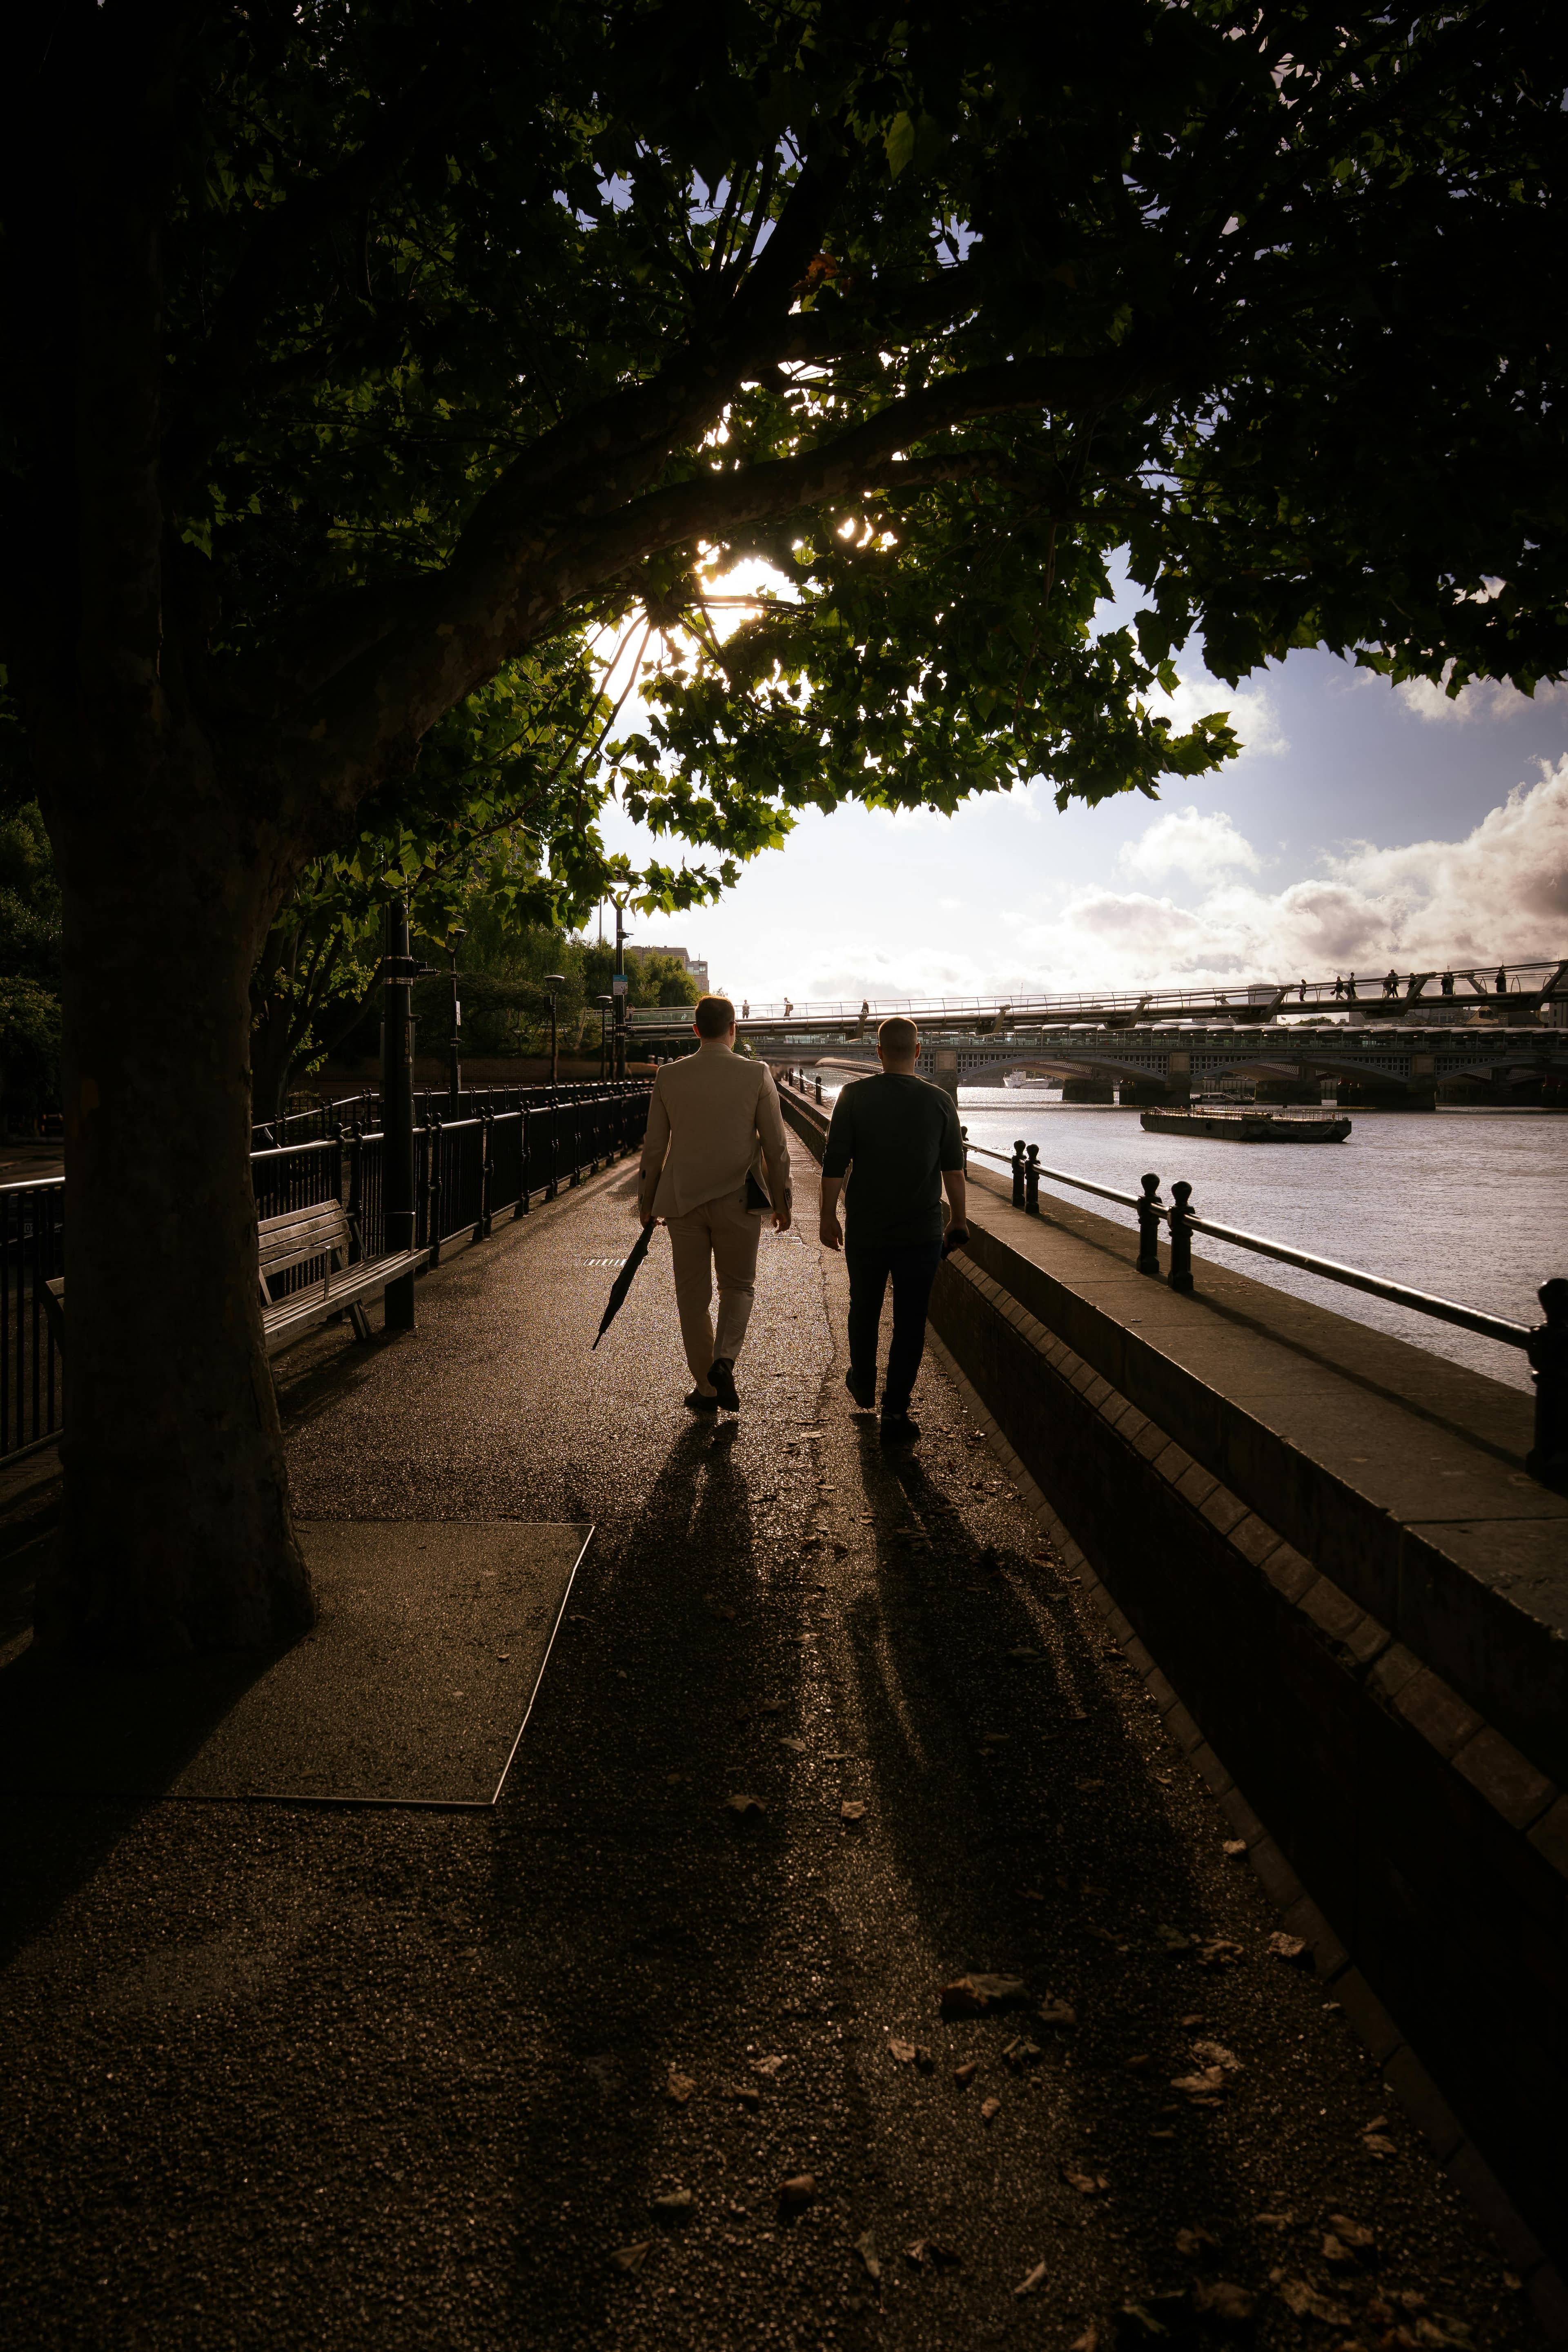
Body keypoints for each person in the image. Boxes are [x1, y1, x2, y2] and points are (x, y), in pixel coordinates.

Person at [638, 994, 793, 1413]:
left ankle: (706, 1389)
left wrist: (647, 1201)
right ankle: (724, 1361)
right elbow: (775, 1147)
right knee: (738, 1286)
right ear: (733, 1030)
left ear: (695, 1030)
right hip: (739, 1199)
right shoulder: (755, 1074)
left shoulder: (669, 1077)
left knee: (692, 1296)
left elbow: (655, 1148)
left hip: (683, 1201)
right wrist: (782, 1200)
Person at [818, 1016, 968, 1442]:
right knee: (910, 1320)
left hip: (867, 1226)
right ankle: (896, 1411)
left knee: (863, 1307)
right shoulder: (940, 1101)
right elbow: (954, 1171)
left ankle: (863, 1382)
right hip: (921, 1231)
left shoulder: (853, 1095)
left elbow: (834, 1162)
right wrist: (958, 1218)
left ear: (879, 1053)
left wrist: (829, 1215)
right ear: (918, 1052)